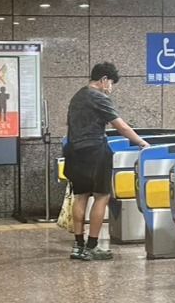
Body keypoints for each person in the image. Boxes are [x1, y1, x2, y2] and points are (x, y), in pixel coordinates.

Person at [63, 62, 149, 261]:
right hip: (95, 151)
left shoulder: (77, 96)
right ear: (103, 80)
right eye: (110, 83)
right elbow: (121, 126)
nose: (110, 88)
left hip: (75, 151)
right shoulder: (98, 97)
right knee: (102, 197)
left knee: (80, 196)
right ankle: (92, 246)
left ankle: (78, 246)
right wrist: (141, 143)